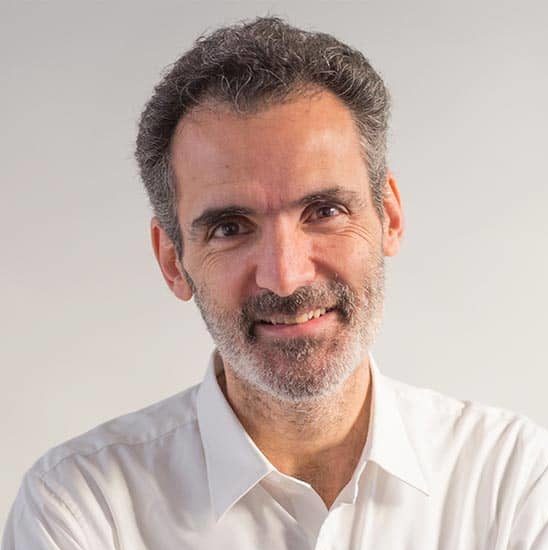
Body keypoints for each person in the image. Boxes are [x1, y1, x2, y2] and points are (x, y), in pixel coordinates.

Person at [2, 15, 547, 550]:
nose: (286, 278)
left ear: (389, 216)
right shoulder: (82, 510)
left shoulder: (513, 480)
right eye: (230, 228)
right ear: (172, 260)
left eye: (325, 211)